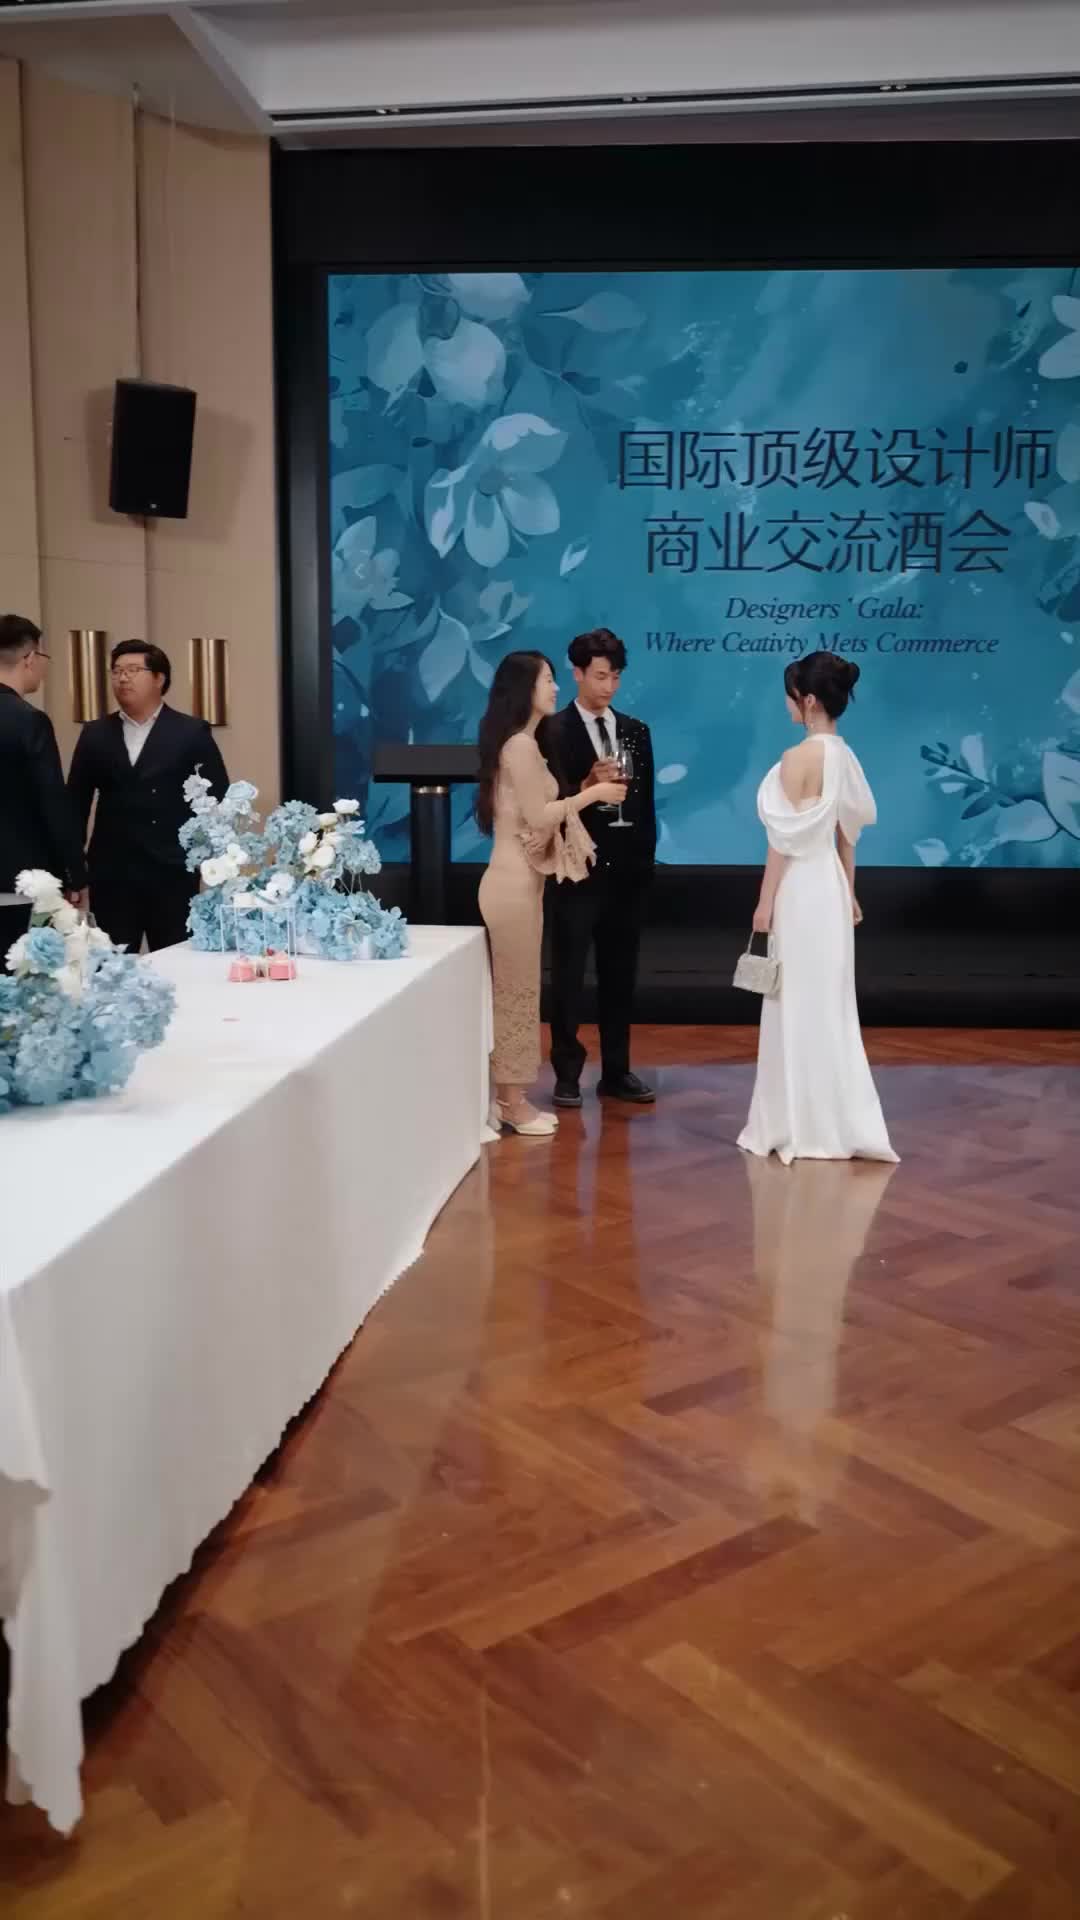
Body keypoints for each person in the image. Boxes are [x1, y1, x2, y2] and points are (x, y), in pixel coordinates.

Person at [738, 651, 898, 1166]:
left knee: (792, 1001)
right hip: (827, 886)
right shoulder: (845, 757)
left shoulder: (796, 759)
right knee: (831, 1002)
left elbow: (782, 841)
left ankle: (793, 1122)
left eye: (791, 696)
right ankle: (838, 1122)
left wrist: (764, 903)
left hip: (800, 889)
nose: (787, 705)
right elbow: (847, 835)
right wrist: (849, 891)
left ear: (808, 701)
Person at [476, 651, 627, 1137]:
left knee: (518, 992)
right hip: (511, 887)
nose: (556, 688)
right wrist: (593, 795)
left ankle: (507, 1095)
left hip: (522, 884)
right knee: (516, 994)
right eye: (547, 679)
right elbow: (540, 816)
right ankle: (511, 1101)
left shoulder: (524, 744)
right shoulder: (520, 747)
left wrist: (582, 790)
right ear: (524, 688)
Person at [545, 627, 657, 1108]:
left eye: (615, 676)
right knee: (568, 975)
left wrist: (645, 863)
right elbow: (547, 803)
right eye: (599, 676)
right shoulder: (552, 730)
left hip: (626, 873)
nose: (608, 686)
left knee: (620, 974)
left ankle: (617, 1070)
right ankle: (567, 1073)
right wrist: (586, 784)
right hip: (576, 871)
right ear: (577, 673)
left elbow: (646, 803)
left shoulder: (635, 730)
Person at [67, 640, 228, 953]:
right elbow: (76, 804)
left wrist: (212, 863)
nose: (122, 678)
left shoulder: (190, 732)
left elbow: (216, 798)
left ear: (159, 678)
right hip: (112, 873)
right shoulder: (96, 733)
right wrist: (74, 870)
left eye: (132, 670)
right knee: (111, 965)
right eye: (116, 671)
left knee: (176, 961)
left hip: (172, 871)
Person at [0, 613, 87, 954]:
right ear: (30, 658)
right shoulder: (28, 721)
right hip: (22, 880)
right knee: (24, 973)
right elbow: (52, 803)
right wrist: (75, 874)